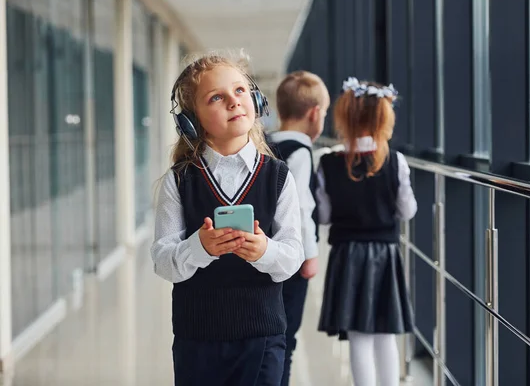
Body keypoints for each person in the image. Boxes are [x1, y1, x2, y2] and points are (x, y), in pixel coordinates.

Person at [150, 50, 304, 386]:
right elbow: (162, 261)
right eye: (216, 97)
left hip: (263, 338)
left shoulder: (278, 177)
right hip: (197, 340)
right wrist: (199, 247)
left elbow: (293, 256)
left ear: (256, 100)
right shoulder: (178, 181)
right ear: (191, 121)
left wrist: (265, 250)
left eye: (239, 91)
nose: (234, 102)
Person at [316, 77, 417, 386]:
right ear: (385, 118)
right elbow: (408, 211)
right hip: (384, 254)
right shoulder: (395, 162)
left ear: (344, 117)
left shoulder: (329, 163)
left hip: (347, 255)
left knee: (358, 337)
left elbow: (323, 215)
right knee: (385, 335)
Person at [267, 70, 330, 386]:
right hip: (291, 257)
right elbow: (303, 207)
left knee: (269, 334)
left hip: (266, 251)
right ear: (315, 114)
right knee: (285, 338)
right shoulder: (301, 151)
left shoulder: (264, 145)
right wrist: (311, 254)